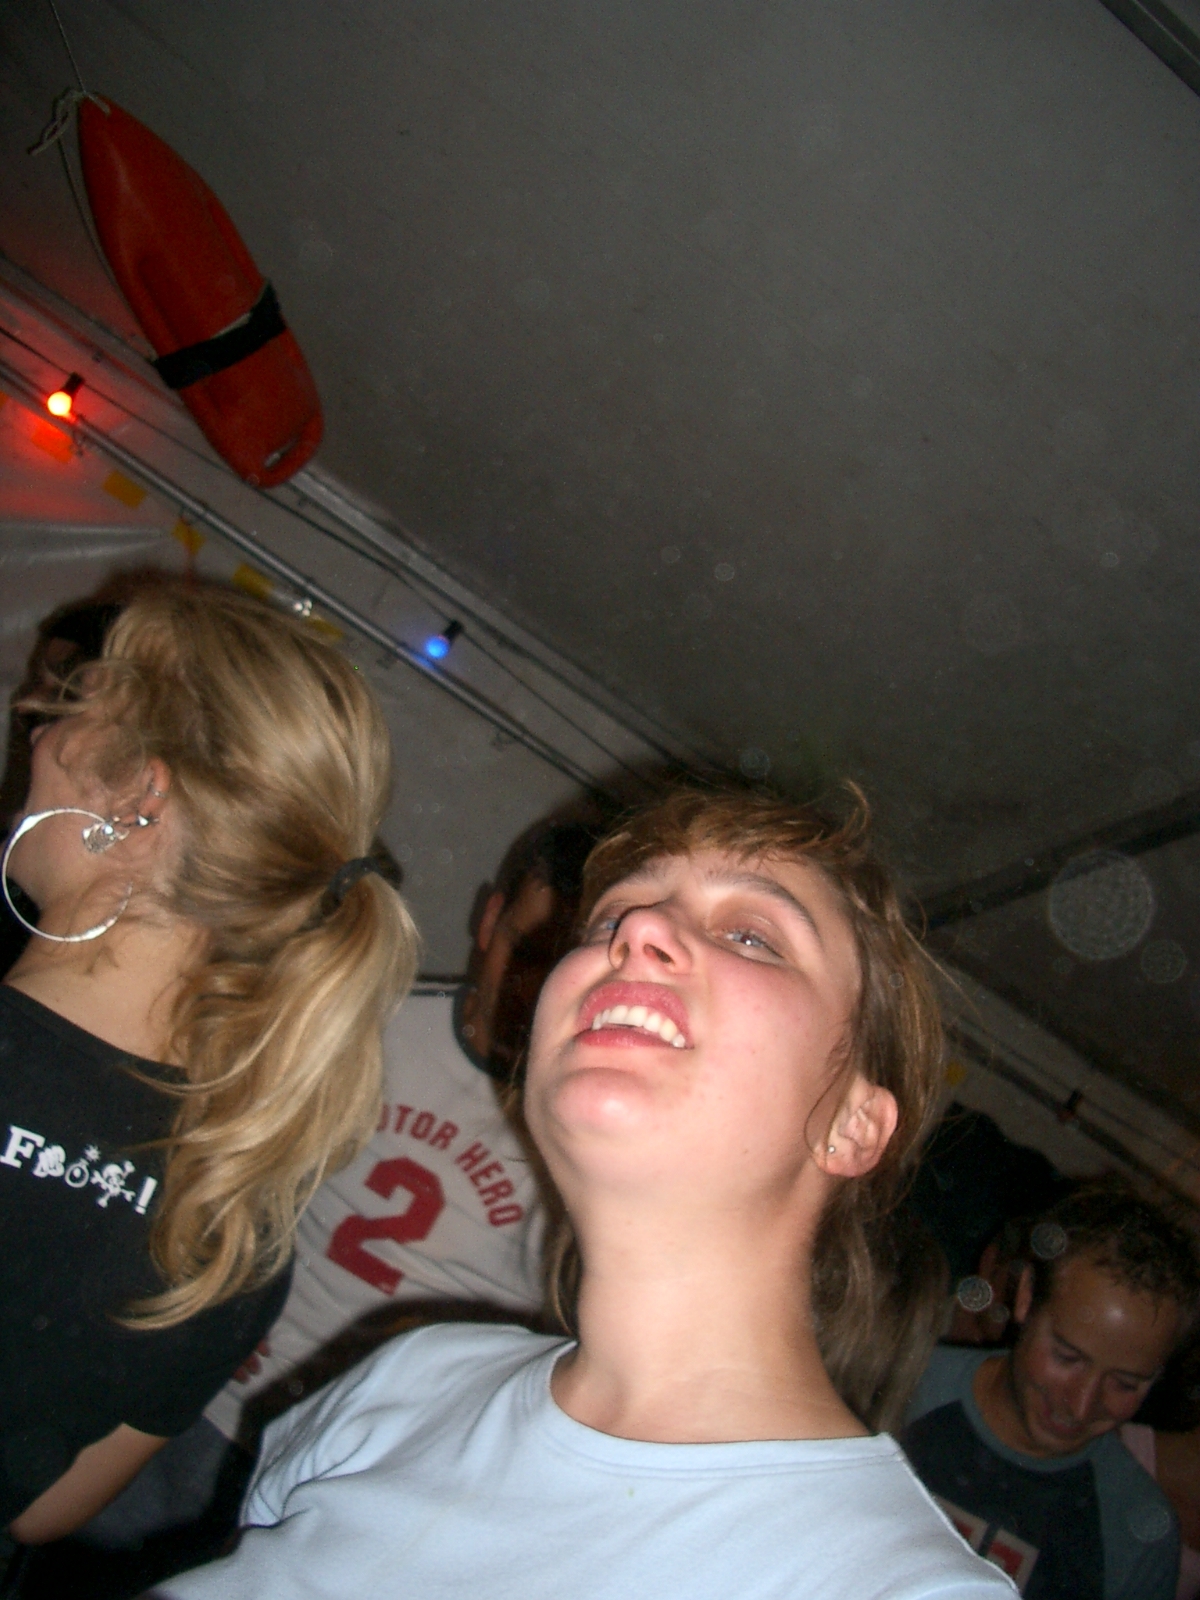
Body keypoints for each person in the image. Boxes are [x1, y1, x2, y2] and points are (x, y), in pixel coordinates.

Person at [153, 785, 1012, 1600]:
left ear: (853, 1126)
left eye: (752, 936)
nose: (639, 930)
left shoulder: (892, 1584)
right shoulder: (410, 1382)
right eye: (610, 917)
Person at [0, 581, 418, 1553]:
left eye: (71, 707)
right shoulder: (233, 1217)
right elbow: (41, 1510)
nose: (38, 733)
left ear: (139, 798)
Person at [903, 1178, 1200, 1598]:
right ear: (1026, 1297)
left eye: (1125, 1383)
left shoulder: (1133, 1537)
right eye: (1066, 1357)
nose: (1080, 1404)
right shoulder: (898, 1388)